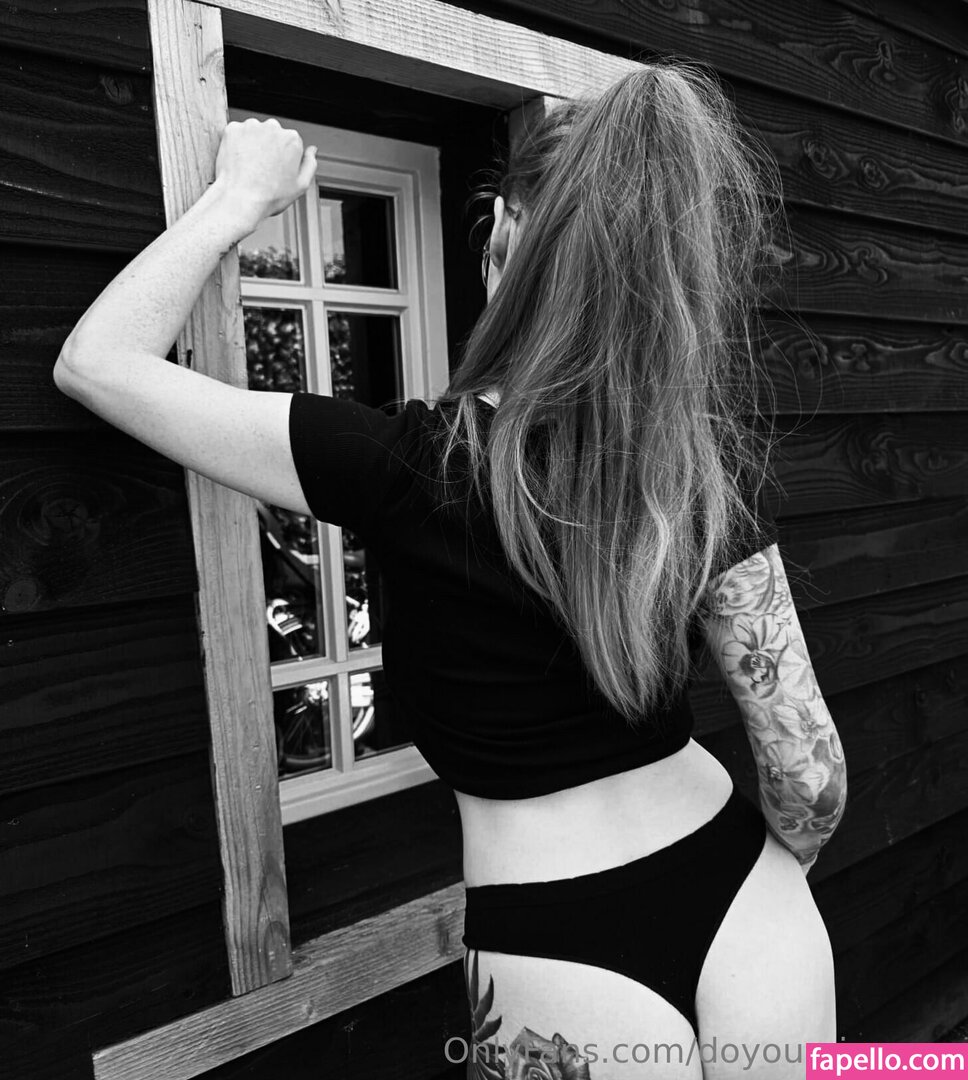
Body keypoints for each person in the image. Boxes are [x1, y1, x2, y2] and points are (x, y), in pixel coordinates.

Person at [54, 61, 846, 1079]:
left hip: (560, 946)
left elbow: (98, 362)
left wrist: (238, 199)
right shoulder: (690, 477)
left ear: (504, 236)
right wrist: (770, 876)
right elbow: (810, 774)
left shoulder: (404, 464)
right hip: (746, 893)